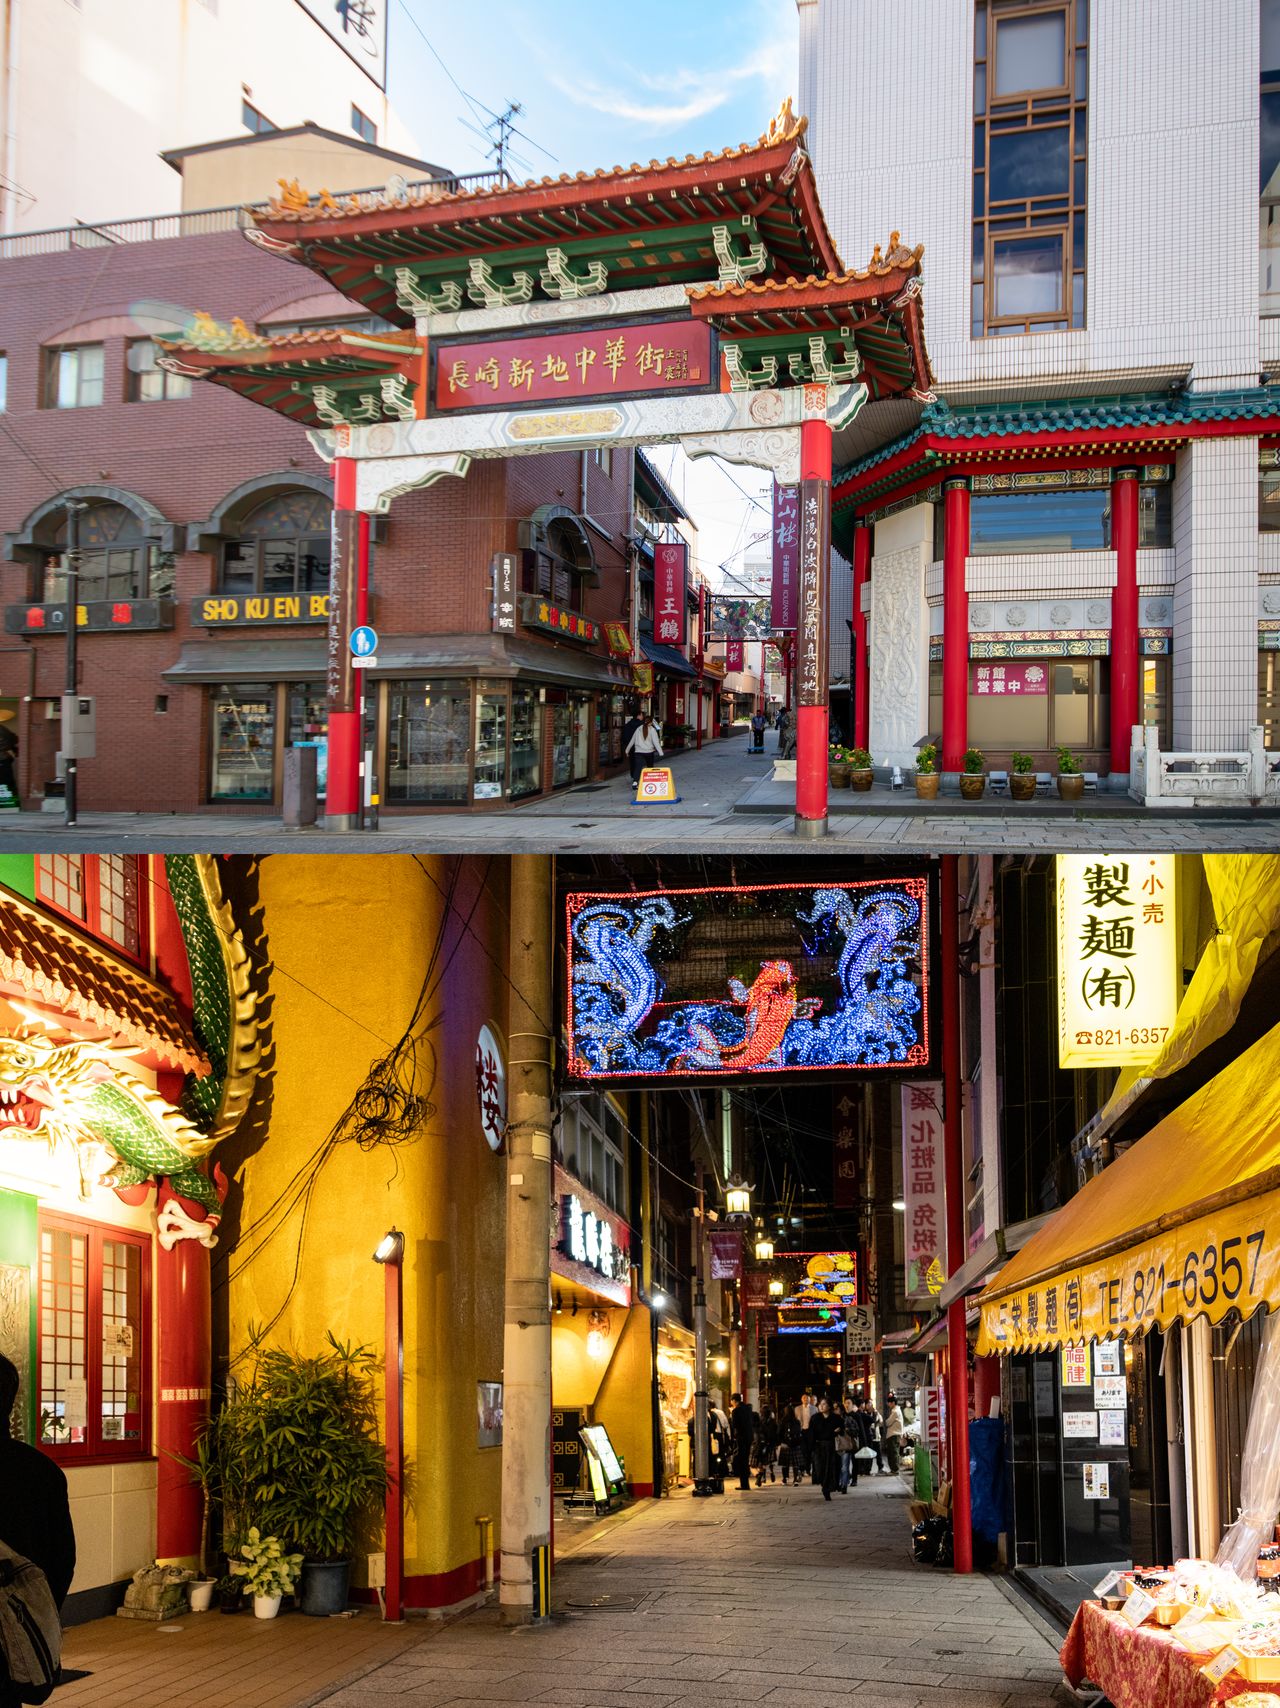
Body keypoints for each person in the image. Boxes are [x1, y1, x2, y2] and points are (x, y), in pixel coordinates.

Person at [0, 1353, 75, 1708]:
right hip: (12, 1644)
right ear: (11, 1407)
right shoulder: (42, 1472)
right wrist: (31, 1614)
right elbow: (62, 1561)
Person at [810, 1397, 837, 1500]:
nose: (821, 1406)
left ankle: (826, 1489)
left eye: (824, 1404)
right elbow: (810, 1434)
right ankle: (824, 1485)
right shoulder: (815, 1418)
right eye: (820, 1404)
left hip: (830, 1446)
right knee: (819, 1468)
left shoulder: (835, 1418)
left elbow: (841, 1429)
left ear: (829, 1406)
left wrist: (837, 1431)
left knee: (829, 1468)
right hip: (818, 1447)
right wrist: (810, 1448)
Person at [625, 712, 663, 784]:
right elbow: (656, 742)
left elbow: (632, 740)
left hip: (638, 752)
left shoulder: (638, 729)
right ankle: (649, 782)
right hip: (649, 752)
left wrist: (627, 750)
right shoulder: (652, 730)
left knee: (638, 767)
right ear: (651, 722)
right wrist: (660, 752)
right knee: (650, 767)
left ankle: (635, 782)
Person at [730, 1392, 755, 1491]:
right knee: (745, 1460)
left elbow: (735, 1426)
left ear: (734, 1401)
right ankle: (745, 1484)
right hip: (749, 1437)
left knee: (741, 1461)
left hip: (741, 1438)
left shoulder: (736, 1411)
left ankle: (744, 1484)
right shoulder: (748, 1409)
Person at [754, 1404, 779, 1486]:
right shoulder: (773, 1421)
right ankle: (771, 1472)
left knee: (762, 1461)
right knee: (770, 1461)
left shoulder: (760, 1421)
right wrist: (776, 1443)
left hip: (762, 1444)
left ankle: (762, 1476)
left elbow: (757, 1432)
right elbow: (776, 1433)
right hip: (771, 1443)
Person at [884, 1396, 905, 1476]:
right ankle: (894, 1470)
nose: (888, 1404)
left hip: (894, 1434)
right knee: (893, 1452)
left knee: (893, 1453)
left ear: (893, 1403)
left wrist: (886, 1421)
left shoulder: (895, 1412)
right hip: (895, 1434)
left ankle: (895, 1470)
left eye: (889, 1402)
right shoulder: (896, 1410)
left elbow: (888, 1423)